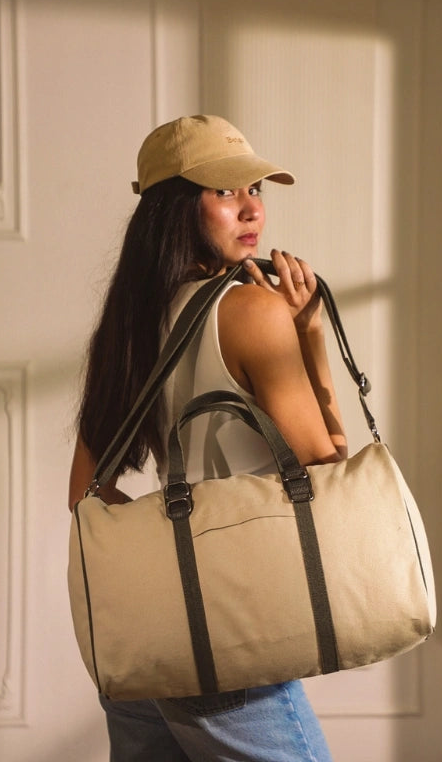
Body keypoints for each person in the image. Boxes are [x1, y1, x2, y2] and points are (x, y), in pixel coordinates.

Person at [69, 114, 347, 761]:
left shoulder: (126, 328)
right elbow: (329, 472)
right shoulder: (252, 311)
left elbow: (86, 493)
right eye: (225, 191)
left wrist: (169, 564)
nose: (252, 209)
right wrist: (310, 336)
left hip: (143, 636)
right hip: (230, 627)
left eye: (256, 189)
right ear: (174, 208)